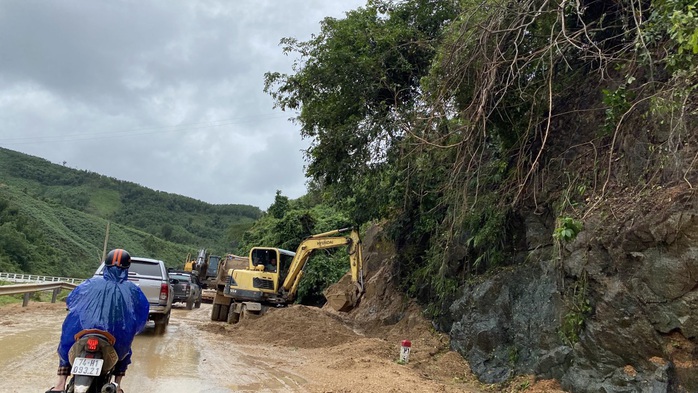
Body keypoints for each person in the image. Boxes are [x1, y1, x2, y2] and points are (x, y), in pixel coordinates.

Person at [46, 249, 149, 393]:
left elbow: (71, 301)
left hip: (81, 332)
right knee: (125, 354)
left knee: (65, 347)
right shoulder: (133, 290)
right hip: (114, 338)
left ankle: (60, 384)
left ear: (106, 265)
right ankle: (117, 385)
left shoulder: (89, 283)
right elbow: (141, 314)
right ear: (127, 268)